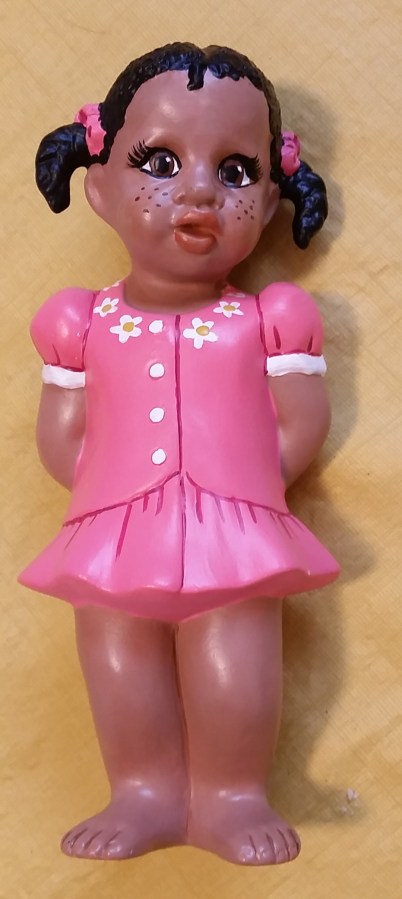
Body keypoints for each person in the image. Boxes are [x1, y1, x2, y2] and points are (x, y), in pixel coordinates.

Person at [19, 42, 339, 865]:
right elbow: (62, 436)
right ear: (98, 185)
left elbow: (300, 421)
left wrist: (250, 491)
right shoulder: (82, 322)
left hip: (235, 522)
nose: (199, 190)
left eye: (235, 171)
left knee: (235, 648)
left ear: (270, 199)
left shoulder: (268, 318)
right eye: (160, 162)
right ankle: (143, 790)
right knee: (118, 649)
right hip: (112, 522)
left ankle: (232, 793)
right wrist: (106, 492)